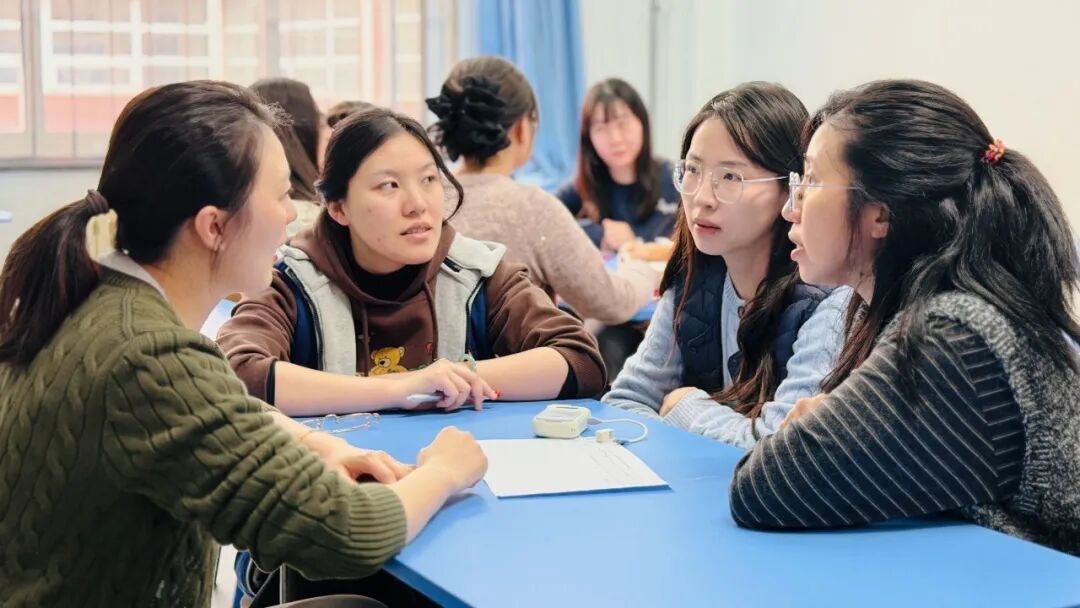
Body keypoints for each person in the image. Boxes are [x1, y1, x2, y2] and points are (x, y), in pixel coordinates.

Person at [0, 81, 489, 606]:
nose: (292, 213)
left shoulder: (97, 296)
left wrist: (319, 445)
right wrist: (445, 471)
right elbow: (349, 534)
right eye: (279, 196)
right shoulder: (147, 355)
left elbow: (210, 409)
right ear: (214, 226)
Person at [730, 79, 1080, 557]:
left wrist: (816, 427)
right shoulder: (916, 310)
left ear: (880, 215)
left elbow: (764, 489)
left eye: (810, 182)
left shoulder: (952, 336)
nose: (791, 209)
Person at [217, 107, 607, 417]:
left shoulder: (476, 273)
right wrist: (400, 388)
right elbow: (235, 375)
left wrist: (456, 376)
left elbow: (581, 360)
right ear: (338, 208)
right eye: (389, 185)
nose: (418, 204)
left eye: (428, 179)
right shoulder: (292, 281)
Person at [603, 82, 849, 449]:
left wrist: (683, 405)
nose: (702, 198)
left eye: (731, 177)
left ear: (790, 187)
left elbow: (779, 449)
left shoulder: (829, 302)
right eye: (693, 170)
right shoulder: (694, 278)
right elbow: (623, 403)